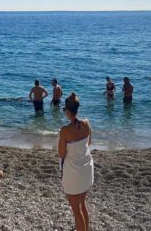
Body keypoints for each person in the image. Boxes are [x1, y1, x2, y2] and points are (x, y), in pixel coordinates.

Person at [59, 93, 94, 231]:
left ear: (68, 111)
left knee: (76, 210)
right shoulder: (86, 123)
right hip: (86, 167)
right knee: (82, 204)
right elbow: (88, 143)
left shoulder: (65, 130)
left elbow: (62, 154)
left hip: (73, 171)